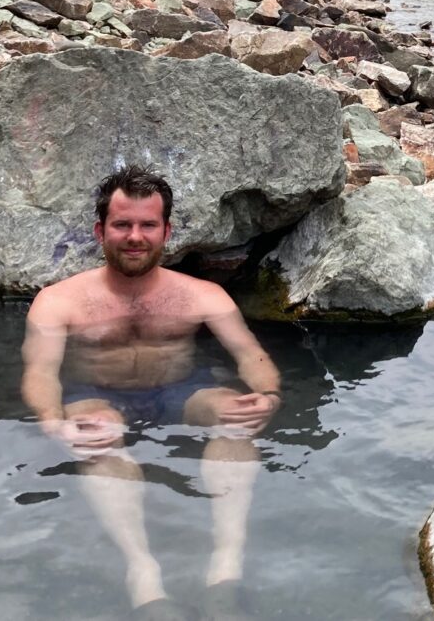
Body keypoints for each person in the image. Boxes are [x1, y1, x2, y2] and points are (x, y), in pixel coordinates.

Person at [22, 164, 280, 619]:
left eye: (147, 225)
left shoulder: (202, 296)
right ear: (101, 231)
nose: (135, 236)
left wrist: (266, 395)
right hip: (97, 392)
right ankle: (143, 573)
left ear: (167, 231)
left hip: (182, 388)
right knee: (95, 436)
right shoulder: (58, 300)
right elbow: (40, 371)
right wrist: (53, 422)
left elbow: (248, 354)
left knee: (234, 421)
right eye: (122, 225)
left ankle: (225, 567)